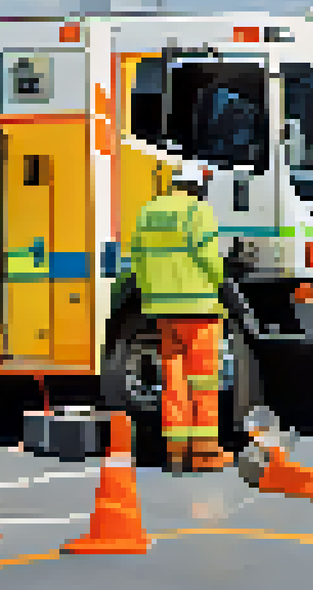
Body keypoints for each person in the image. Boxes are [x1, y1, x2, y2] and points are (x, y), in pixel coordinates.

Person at [129, 161, 231, 474]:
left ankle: (175, 451)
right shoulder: (196, 213)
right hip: (198, 310)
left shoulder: (148, 212)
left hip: (163, 311)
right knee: (203, 381)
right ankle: (204, 454)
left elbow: (137, 259)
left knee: (173, 381)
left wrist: (153, 294)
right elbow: (210, 259)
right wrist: (220, 283)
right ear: (198, 186)